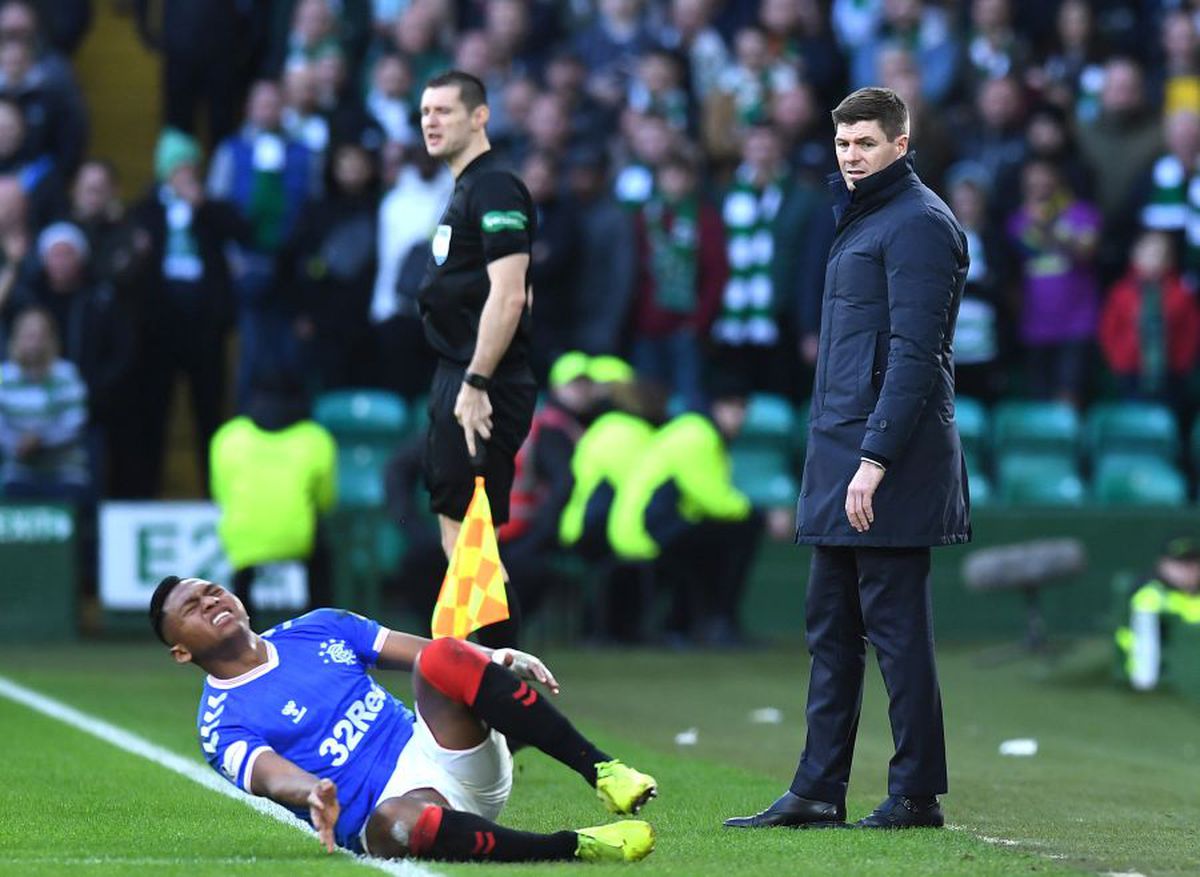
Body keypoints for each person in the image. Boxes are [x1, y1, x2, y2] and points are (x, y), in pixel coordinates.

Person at [725, 87, 969, 831]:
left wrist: (875, 458)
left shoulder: (920, 224)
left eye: (865, 143)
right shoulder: (864, 219)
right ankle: (817, 788)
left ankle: (917, 793)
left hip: (881, 463)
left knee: (896, 631)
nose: (851, 156)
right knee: (829, 627)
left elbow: (915, 355)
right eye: (842, 144)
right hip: (841, 455)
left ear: (900, 144)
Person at [148, 575, 657, 862]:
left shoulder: (317, 627)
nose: (210, 600)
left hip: (444, 750)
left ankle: (605, 772)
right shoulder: (219, 722)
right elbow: (266, 773)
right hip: (399, 813)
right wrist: (310, 791)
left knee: (440, 658)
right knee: (395, 821)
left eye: (212, 589)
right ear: (180, 652)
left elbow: (428, 653)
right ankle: (574, 847)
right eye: (192, 607)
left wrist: (497, 657)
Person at [415, 70, 537, 648]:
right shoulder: (468, 189)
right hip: (459, 375)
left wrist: (477, 379)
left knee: (471, 544)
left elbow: (511, 294)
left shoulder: (494, 187)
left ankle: (509, 695)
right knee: (461, 538)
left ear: (480, 116)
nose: (430, 122)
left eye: (443, 110)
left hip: (479, 382)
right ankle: (490, 692)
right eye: (424, 113)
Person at [209, 371, 336, 612]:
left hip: (242, 540)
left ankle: (241, 631)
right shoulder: (316, 438)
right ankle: (321, 624)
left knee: (241, 579)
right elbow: (325, 500)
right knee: (322, 556)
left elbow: (220, 494)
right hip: (299, 540)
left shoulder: (228, 436)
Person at [1116, 536, 1200, 692]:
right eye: (1179, 564)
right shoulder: (1150, 594)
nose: (1187, 570)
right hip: (1163, 678)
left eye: (1192, 563)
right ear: (1163, 564)